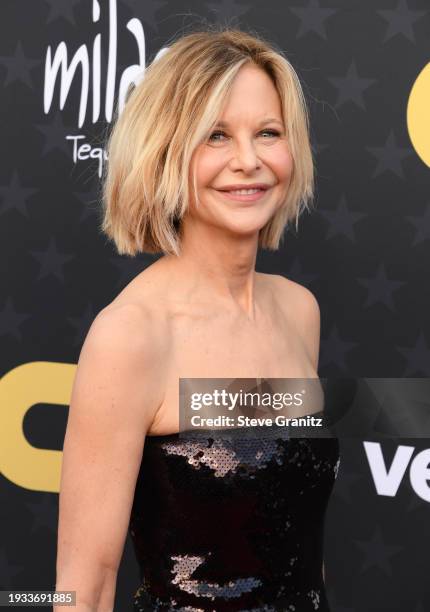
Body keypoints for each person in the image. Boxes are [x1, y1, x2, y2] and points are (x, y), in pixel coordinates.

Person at [55, 26, 340, 611]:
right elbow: (81, 590)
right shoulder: (132, 335)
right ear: (166, 152)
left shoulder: (298, 311)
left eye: (267, 133)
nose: (248, 161)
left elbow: (296, 544)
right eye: (215, 136)